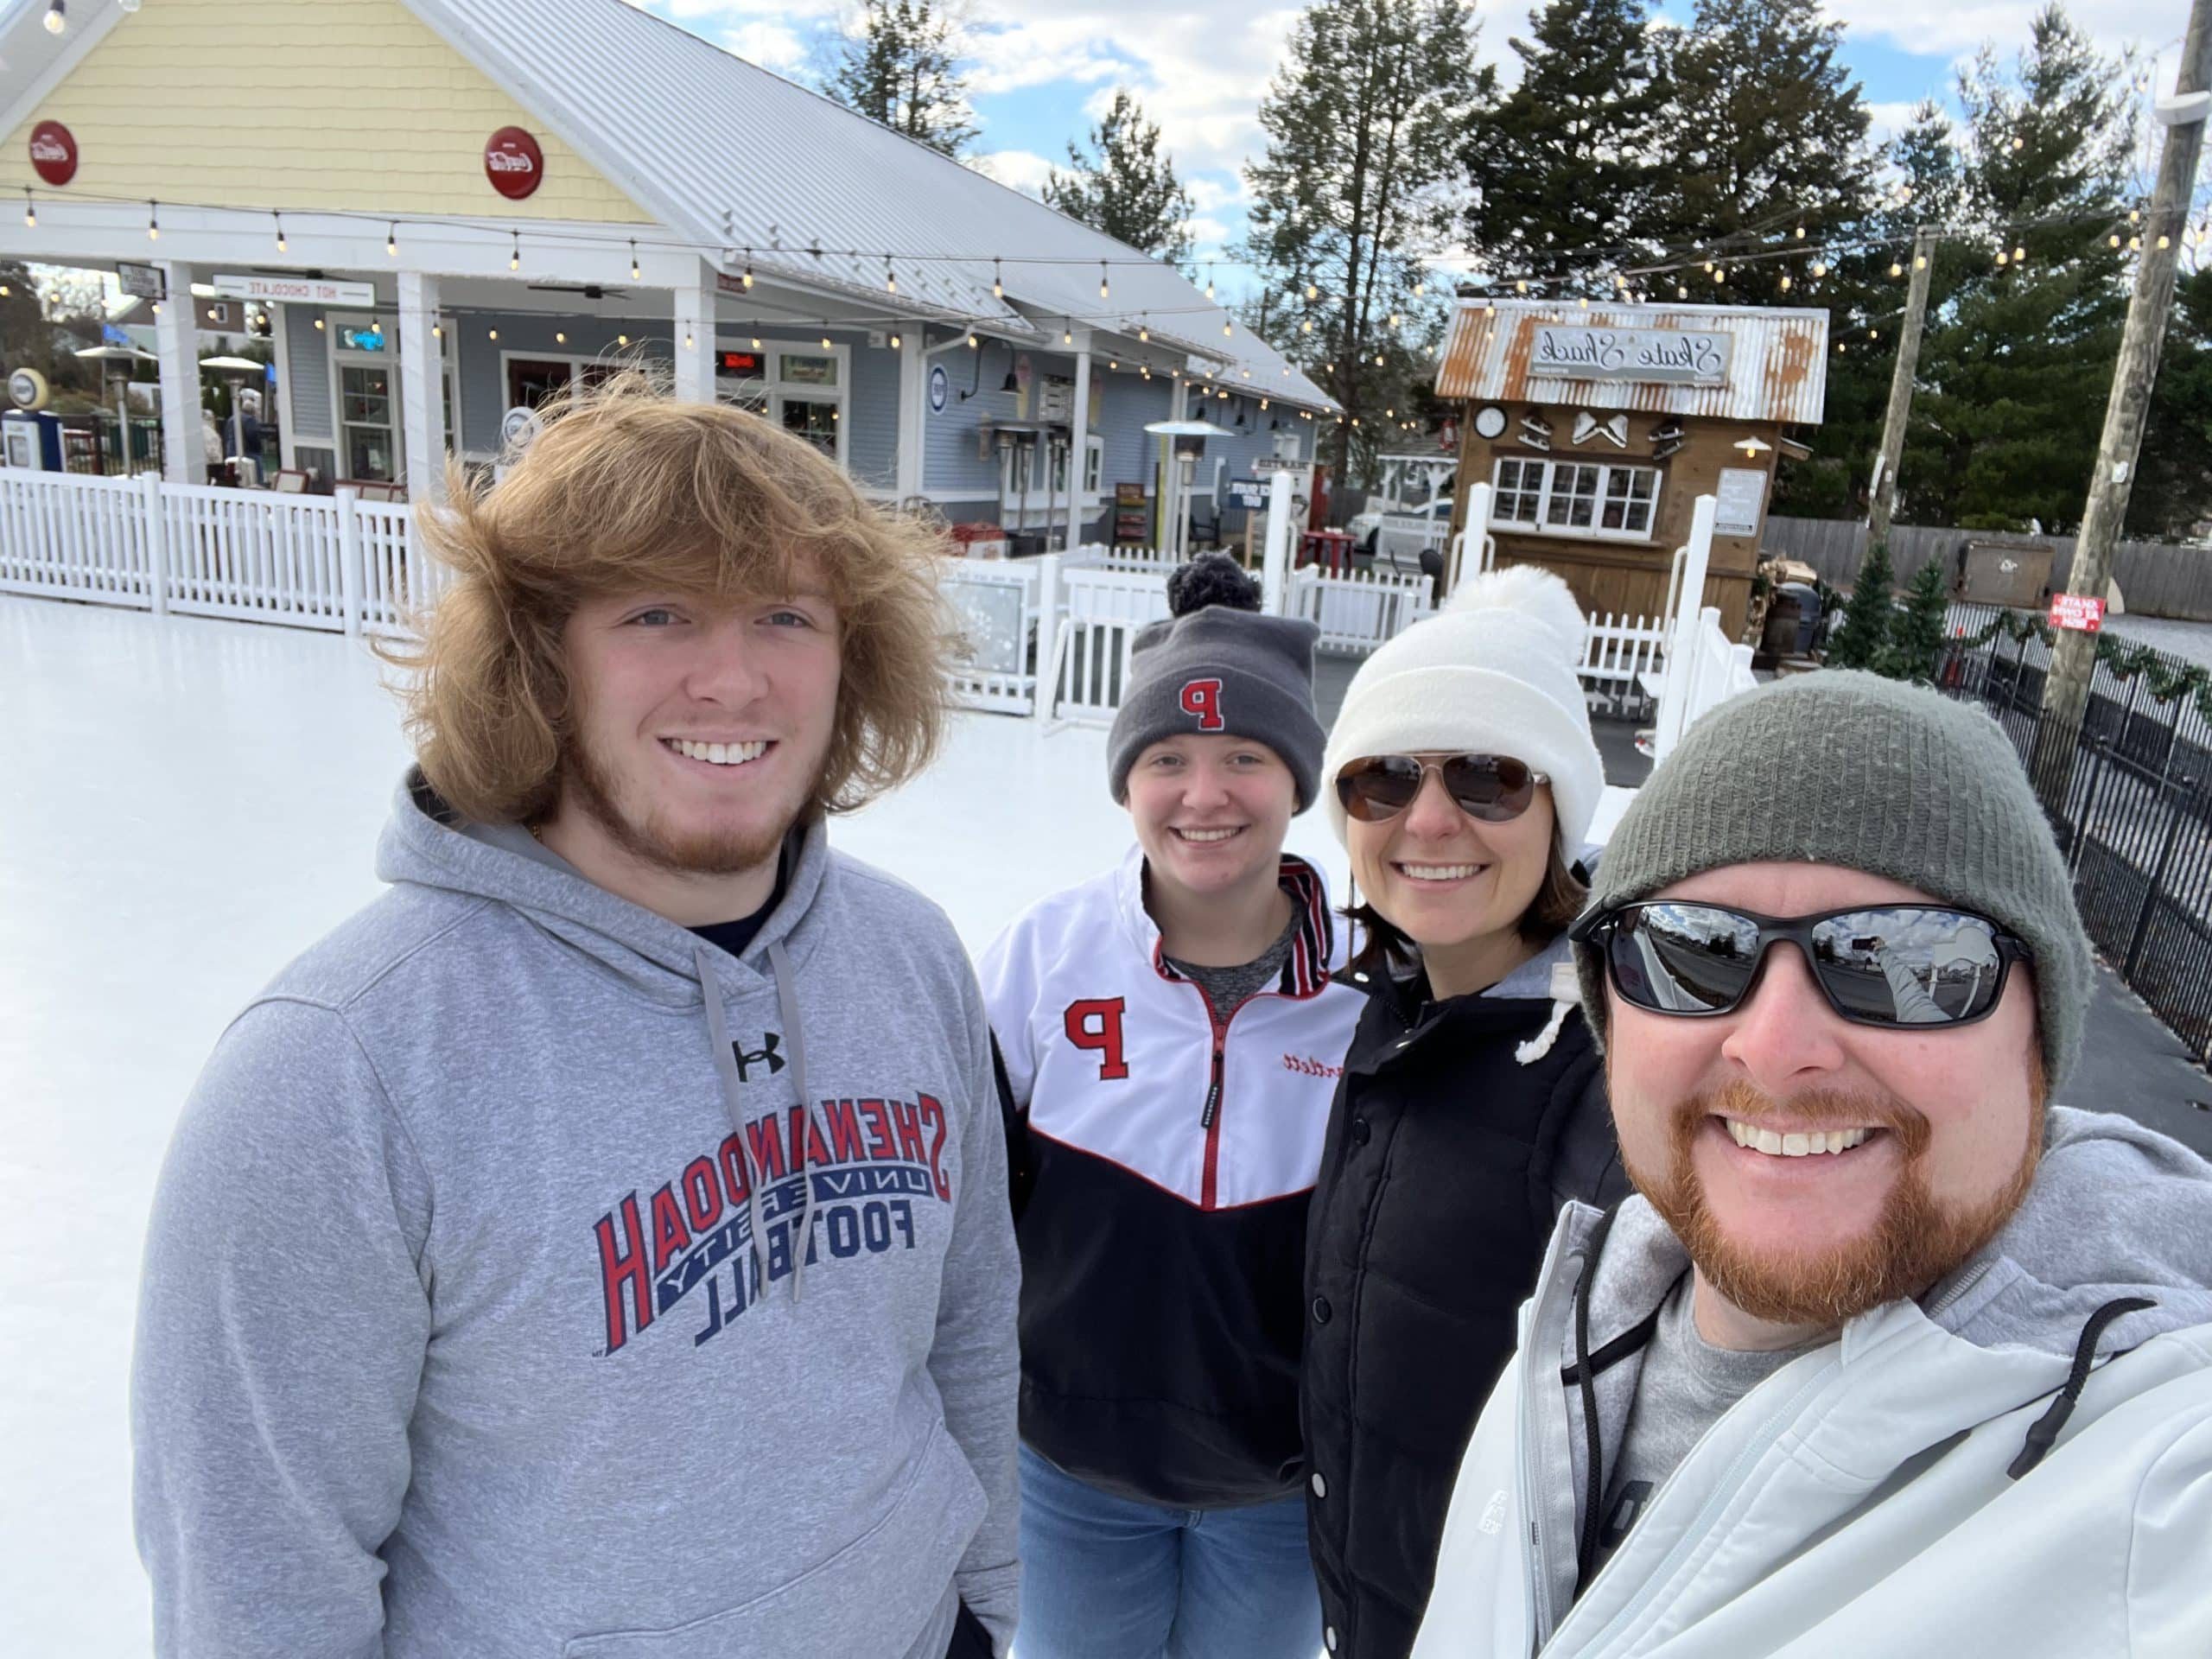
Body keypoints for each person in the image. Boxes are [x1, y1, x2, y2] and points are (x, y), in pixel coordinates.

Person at [131, 379, 1020, 1659]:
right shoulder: (338, 1070)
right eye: (657, 613)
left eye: (785, 614)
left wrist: (985, 1607)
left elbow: (973, 1323)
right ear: (539, 657)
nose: (733, 679)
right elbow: (258, 1576)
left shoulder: (911, 955)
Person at [1414, 671, 2212, 1657]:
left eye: (1903, 962)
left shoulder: (2154, 1488)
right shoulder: (1574, 1324)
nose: (1774, 1044)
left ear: (2039, 1044)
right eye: (1692, 950)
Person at [979, 554, 1365, 1659]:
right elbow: (956, 1210)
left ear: (1297, 780)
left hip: (1279, 1490)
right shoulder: (1047, 959)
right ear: (1126, 781)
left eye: (1245, 756)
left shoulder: (1367, 990)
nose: (1205, 795)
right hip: (1066, 1475)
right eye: (1167, 759)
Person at [1303, 565, 1629, 1659]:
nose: (1429, 818)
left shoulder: (1612, 1073)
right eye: (1382, 778)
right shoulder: (1397, 1001)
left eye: (1488, 777)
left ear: (1559, 812)